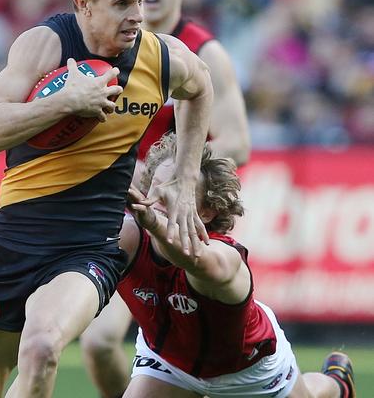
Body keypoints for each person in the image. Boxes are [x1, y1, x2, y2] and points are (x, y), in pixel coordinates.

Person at [0, 0, 213, 398]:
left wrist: (185, 172)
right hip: (12, 239)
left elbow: (201, 88)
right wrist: (64, 103)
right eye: (121, 4)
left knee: (41, 348)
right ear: (84, 4)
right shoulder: (45, 46)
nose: (137, 14)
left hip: (91, 244)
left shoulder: (162, 56)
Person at [80, 0, 251, 398]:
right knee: (97, 345)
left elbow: (237, 142)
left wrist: (173, 170)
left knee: (209, 363)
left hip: (184, 220)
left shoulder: (204, 52)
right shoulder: (110, 45)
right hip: (124, 218)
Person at [117, 132, 355, 398]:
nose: (158, 196)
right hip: (169, 361)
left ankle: (336, 385)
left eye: (174, 191)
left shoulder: (225, 256)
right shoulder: (129, 237)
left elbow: (192, 258)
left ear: (206, 212)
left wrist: (151, 220)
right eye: (156, 185)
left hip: (249, 371)